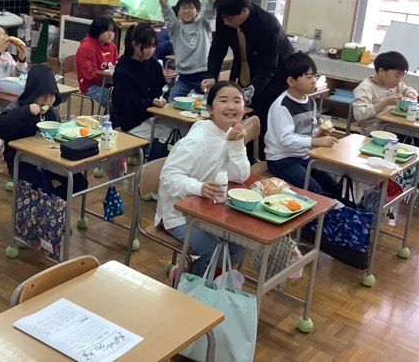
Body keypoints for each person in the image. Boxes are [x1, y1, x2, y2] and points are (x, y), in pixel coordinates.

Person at [352, 50, 419, 232]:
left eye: (402, 75)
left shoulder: (396, 84)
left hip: (400, 133)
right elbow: (359, 114)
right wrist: (384, 103)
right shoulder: (365, 88)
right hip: (379, 139)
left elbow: (409, 89)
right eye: (396, 75)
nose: (399, 79)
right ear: (381, 71)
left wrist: (412, 95)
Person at [156, 80, 249, 276]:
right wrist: (199, 187)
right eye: (223, 100)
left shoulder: (231, 134)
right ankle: (187, 284)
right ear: (210, 108)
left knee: (240, 246)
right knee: (216, 252)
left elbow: (239, 176)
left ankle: (202, 280)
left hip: (208, 211)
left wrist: (236, 145)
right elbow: (168, 177)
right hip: (178, 214)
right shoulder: (197, 139)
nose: (231, 106)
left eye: (237, 101)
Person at [201, 0, 293, 158]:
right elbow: (218, 48)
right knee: (235, 114)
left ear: (244, 11)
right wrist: (212, 75)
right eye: (223, 18)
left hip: (274, 76)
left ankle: (257, 160)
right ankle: (231, 155)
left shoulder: (268, 25)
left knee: (261, 117)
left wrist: (251, 91)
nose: (225, 22)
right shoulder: (225, 16)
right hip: (243, 68)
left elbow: (268, 66)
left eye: (229, 18)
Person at [0, 64, 88, 199]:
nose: (48, 100)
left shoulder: (51, 111)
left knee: (79, 182)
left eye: (52, 95)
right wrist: (26, 111)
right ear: (33, 93)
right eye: (43, 95)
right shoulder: (18, 107)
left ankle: (51, 203)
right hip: (21, 161)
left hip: (49, 158)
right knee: (42, 187)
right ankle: (46, 202)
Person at [265, 53, 339, 195]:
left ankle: (343, 208)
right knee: (315, 191)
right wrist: (315, 141)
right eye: (309, 77)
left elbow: (309, 130)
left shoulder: (310, 101)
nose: (314, 81)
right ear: (291, 81)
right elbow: (285, 139)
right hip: (282, 159)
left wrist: (318, 134)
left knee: (334, 187)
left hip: (304, 156)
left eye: (315, 76)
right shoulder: (282, 106)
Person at [153, 0, 215, 101]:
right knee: (172, 102)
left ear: (197, 11)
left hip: (204, 76)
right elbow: (166, 10)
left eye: (190, 8)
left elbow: (210, 8)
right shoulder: (176, 27)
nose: (186, 11)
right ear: (179, 12)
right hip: (184, 78)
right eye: (183, 8)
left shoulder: (203, 24)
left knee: (206, 105)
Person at [110, 23, 172, 142]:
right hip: (132, 122)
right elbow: (129, 103)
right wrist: (151, 103)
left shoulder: (153, 64)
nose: (151, 50)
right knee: (170, 134)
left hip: (154, 115)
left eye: (154, 46)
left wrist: (164, 98)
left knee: (182, 129)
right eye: (147, 46)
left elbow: (164, 86)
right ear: (134, 44)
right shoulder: (123, 70)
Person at [74, 15, 118, 108]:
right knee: (116, 100)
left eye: (112, 31)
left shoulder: (112, 47)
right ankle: (111, 116)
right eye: (106, 31)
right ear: (97, 30)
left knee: (127, 95)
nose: (110, 34)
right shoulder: (86, 47)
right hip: (90, 85)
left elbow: (116, 66)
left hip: (108, 83)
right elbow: (91, 75)